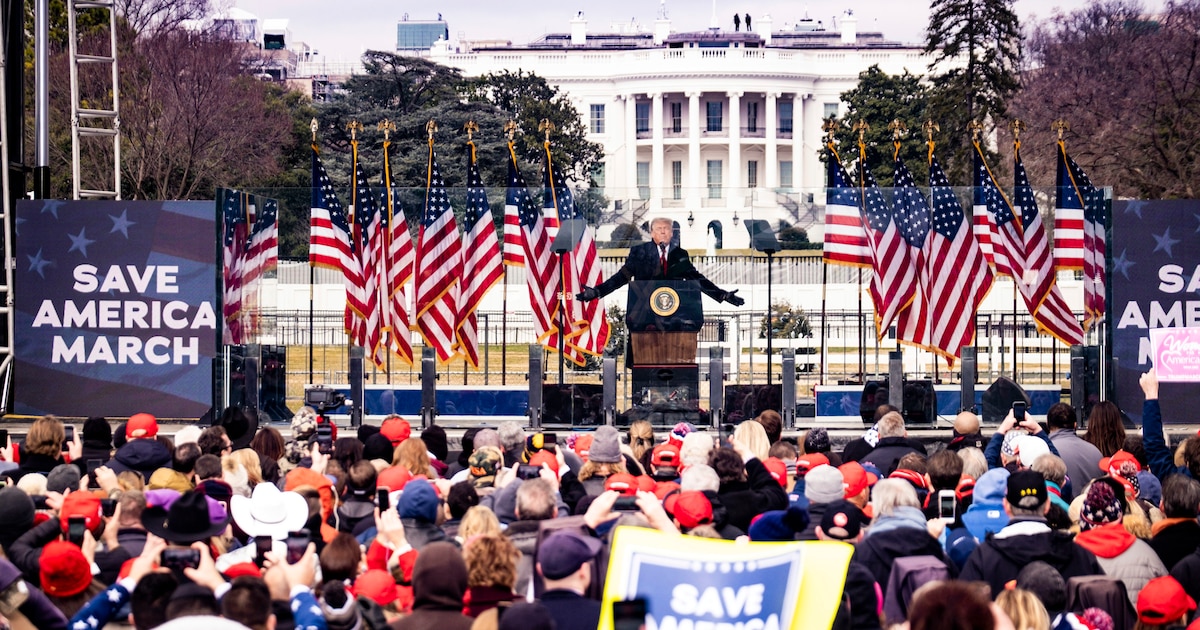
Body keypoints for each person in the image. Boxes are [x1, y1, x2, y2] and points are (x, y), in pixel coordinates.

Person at [576, 217, 744, 306]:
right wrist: (597, 292)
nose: (663, 233)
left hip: (674, 314)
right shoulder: (639, 252)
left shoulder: (679, 254)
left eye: (667, 229)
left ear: (672, 233)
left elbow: (697, 279)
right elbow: (621, 277)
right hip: (644, 312)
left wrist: (722, 295)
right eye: (659, 229)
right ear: (651, 232)